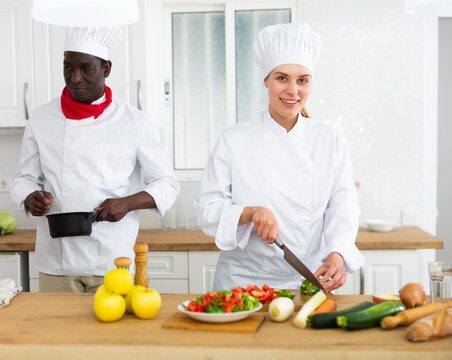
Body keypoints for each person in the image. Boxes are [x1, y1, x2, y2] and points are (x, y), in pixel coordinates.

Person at [194, 22, 364, 292]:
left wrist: (337, 255)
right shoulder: (234, 139)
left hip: (308, 280)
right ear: (266, 81)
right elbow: (206, 210)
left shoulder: (329, 138)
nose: (293, 90)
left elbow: (342, 207)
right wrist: (249, 213)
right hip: (242, 284)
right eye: (282, 78)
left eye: (302, 80)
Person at [11, 27, 180, 293]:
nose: (75, 78)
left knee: (111, 334)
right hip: (57, 260)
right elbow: (24, 177)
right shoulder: (41, 118)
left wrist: (127, 203)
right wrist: (29, 196)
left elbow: (167, 183)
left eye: (86, 69)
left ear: (106, 68)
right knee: (56, 335)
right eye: (68, 67)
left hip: (112, 260)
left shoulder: (134, 121)